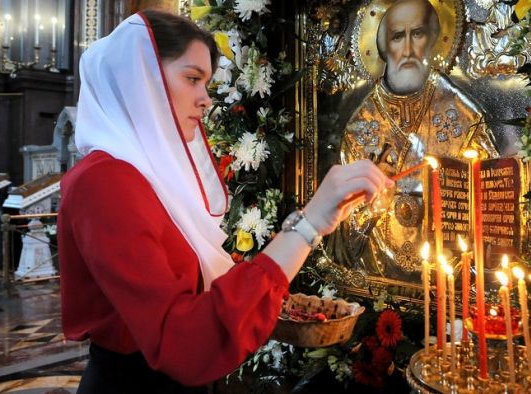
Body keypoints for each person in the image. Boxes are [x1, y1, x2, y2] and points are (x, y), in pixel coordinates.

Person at [58, 9, 392, 393]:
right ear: (141, 78)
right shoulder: (104, 181)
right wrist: (308, 223)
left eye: (207, 83)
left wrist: (316, 226)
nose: (205, 100)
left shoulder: (150, 177)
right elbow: (182, 340)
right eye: (192, 78)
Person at [328, 0, 498, 281]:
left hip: (450, 280)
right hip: (379, 279)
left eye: (417, 33)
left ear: (432, 39)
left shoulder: (464, 117)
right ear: (383, 46)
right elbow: (341, 239)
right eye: (397, 36)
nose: (407, 49)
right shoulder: (360, 127)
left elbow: (491, 213)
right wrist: (371, 207)